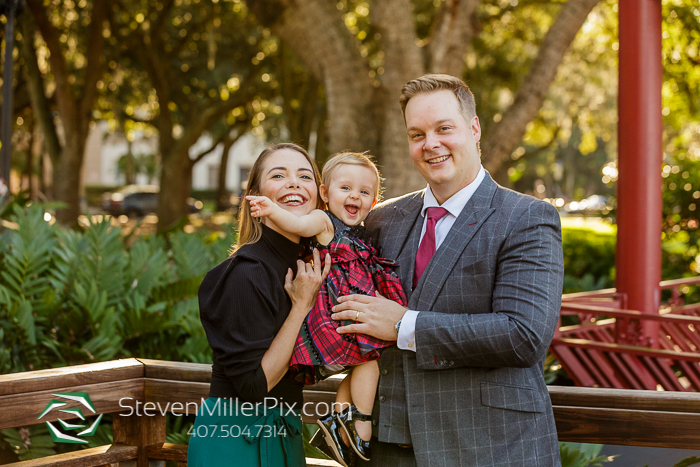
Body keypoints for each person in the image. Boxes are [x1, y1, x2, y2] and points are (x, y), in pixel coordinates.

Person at [331, 74, 564, 466]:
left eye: (444, 129)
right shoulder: (381, 221)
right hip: (389, 448)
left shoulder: (527, 218)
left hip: (489, 447)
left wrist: (405, 325)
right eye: (417, 134)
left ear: (474, 129)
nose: (430, 144)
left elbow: (524, 335)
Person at [247, 152, 407, 467]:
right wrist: (272, 210)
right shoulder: (324, 222)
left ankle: (339, 418)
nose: (354, 196)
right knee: (371, 361)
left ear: (374, 200)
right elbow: (298, 221)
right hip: (332, 316)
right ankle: (359, 423)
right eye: (345, 187)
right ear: (324, 193)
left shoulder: (362, 233)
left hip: (350, 315)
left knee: (364, 364)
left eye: (364, 192)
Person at [188, 143, 331, 467]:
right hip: (235, 442)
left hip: (284, 434)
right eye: (278, 175)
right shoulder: (244, 273)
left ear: (319, 195)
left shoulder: (307, 268)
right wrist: (299, 308)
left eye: (304, 176)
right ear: (256, 196)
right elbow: (254, 387)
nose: (293, 183)